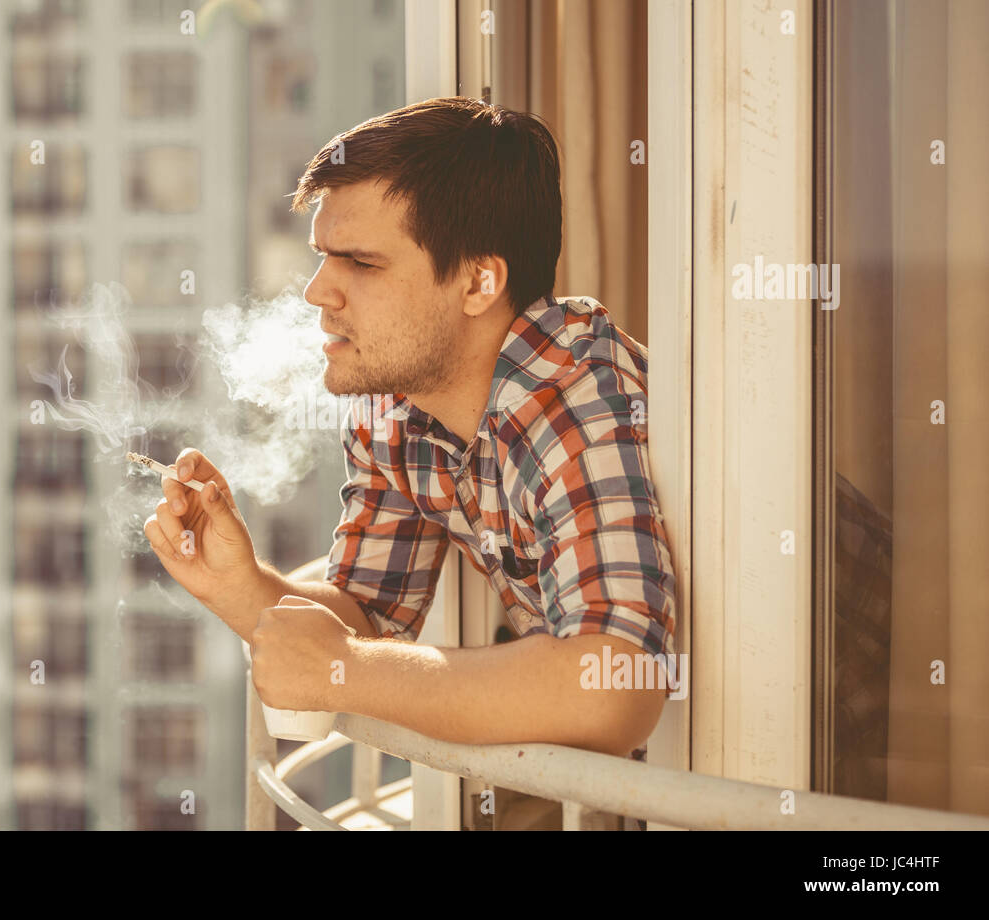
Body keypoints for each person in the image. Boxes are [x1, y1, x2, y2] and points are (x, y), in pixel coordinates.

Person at [143, 96, 677, 830]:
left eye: (359, 261)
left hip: (837, 745)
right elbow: (368, 620)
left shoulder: (575, 401)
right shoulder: (396, 412)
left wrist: (349, 670)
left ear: (478, 283)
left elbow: (614, 685)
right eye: (322, 257)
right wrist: (239, 586)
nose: (316, 292)